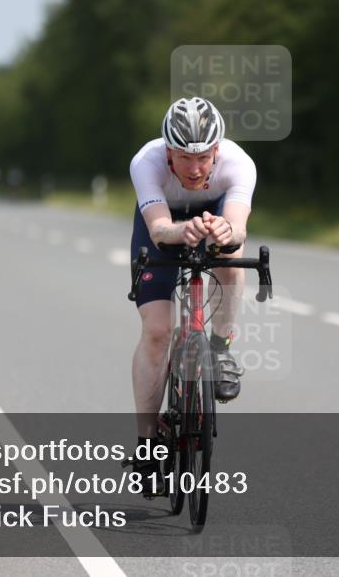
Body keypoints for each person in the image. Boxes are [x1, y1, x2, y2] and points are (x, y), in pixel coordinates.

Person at [128, 96, 256, 488]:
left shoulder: (239, 165)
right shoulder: (145, 162)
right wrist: (180, 231)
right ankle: (147, 446)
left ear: (218, 148)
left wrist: (224, 234)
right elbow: (158, 228)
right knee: (157, 331)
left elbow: (238, 227)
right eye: (184, 157)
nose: (196, 168)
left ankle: (219, 349)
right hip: (164, 226)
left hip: (214, 215)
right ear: (168, 150)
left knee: (231, 260)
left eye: (204, 157)